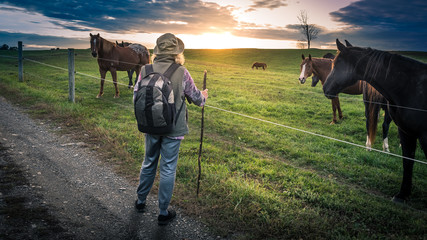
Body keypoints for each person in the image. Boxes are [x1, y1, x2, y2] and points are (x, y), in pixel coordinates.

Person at [134, 33, 208, 225]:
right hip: (173, 130)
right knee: (168, 168)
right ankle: (163, 212)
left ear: (157, 51)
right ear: (177, 53)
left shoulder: (145, 69)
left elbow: (136, 96)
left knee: (149, 162)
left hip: (150, 125)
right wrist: (204, 95)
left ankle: (140, 201)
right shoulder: (181, 71)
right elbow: (197, 98)